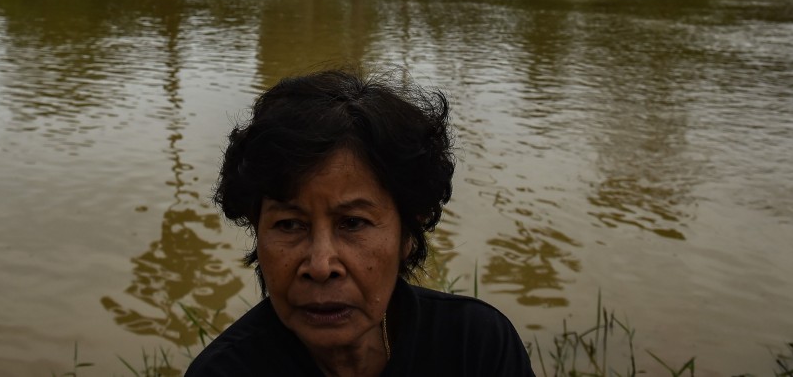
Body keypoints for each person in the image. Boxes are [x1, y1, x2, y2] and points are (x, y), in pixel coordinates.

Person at [185, 69, 535, 377]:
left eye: (352, 223)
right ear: (257, 230)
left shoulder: (474, 348)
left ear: (407, 234)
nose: (320, 266)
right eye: (290, 225)